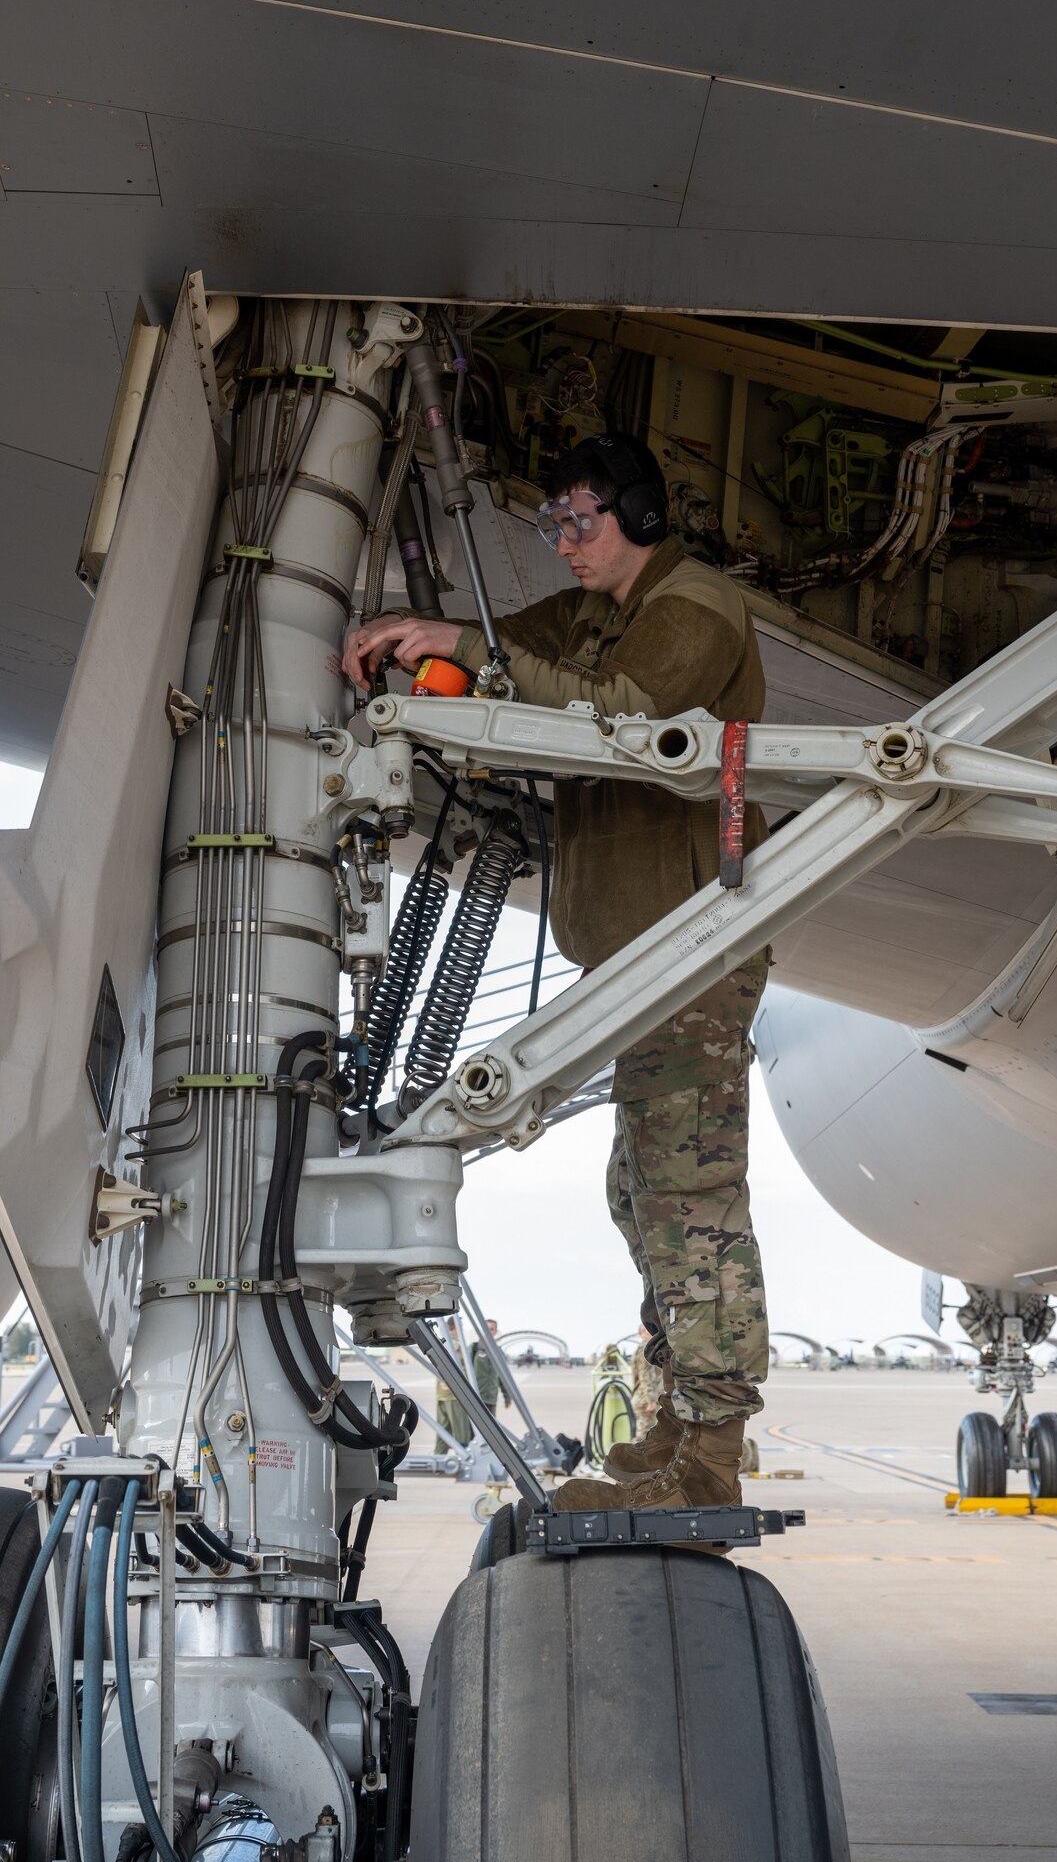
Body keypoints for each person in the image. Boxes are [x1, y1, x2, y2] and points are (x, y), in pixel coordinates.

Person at [342, 433, 770, 1509]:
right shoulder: (589, 613)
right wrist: (416, 634)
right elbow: (502, 644)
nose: (567, 543)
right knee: (642, 1190)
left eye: (582, 520)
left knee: (689, 1194)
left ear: (636, 512)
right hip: (635, 952)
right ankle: (678, 1424)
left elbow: (621, 709)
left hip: (690, 942)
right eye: (554, 526)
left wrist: (462, 647)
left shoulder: (696, 606)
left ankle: (710, 1458)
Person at [470, 1319, 512, 1417]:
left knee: (490, 1429)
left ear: (495, 1332)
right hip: (475, 1397)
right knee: (473, 1430)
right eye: (486, 1329)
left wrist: (507, 1397)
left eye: (492, 1329)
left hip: (491, 1398)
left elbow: (503, 1377)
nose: (489, 1332)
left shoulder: (499, 1353)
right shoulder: (474, 1348)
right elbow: (464, 1370)